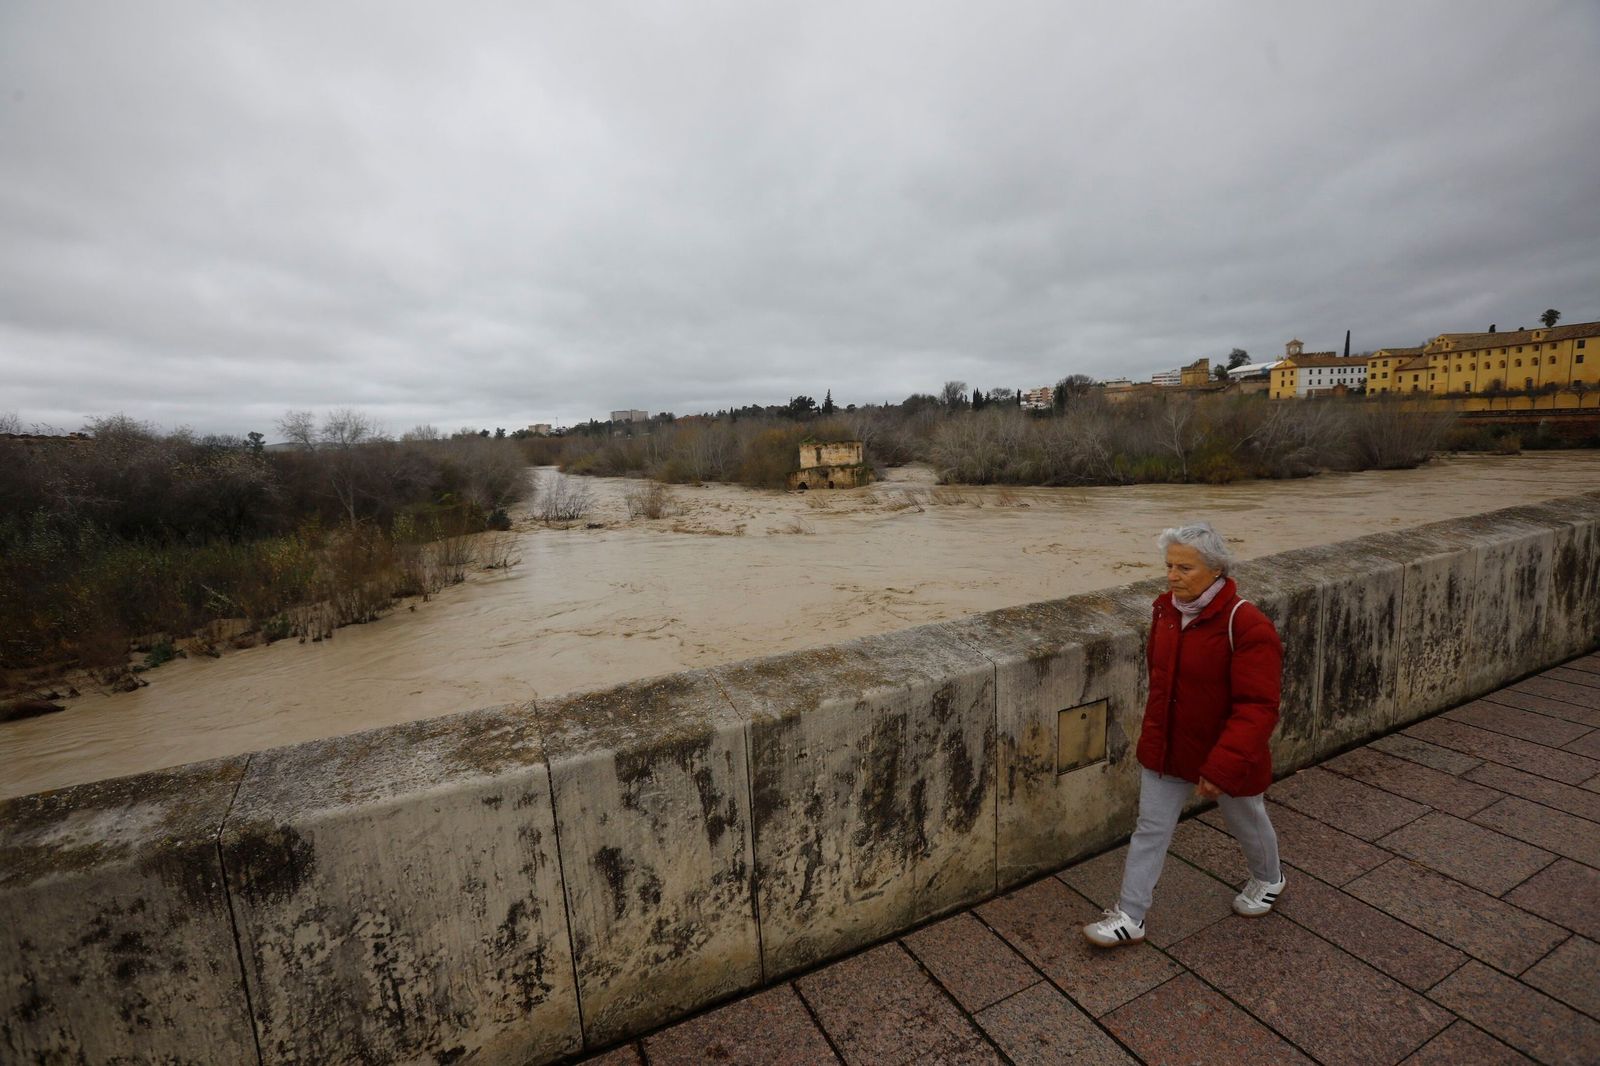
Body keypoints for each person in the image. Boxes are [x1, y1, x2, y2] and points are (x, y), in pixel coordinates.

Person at [1083, 521, 1285, 947]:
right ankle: (1130, 916)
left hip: (1223, 752)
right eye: (1169, 566)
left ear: (1216, 569)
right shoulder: (1166, 612)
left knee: (1247, 820)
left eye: (1184, 568)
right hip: (1169, 748)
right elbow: (1162, 684)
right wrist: (1154, 740)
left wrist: (1222, 766)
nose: (1172, 576)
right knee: (1150, 828)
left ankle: (1269, 878)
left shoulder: (1247, 624)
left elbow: (1258, 707)